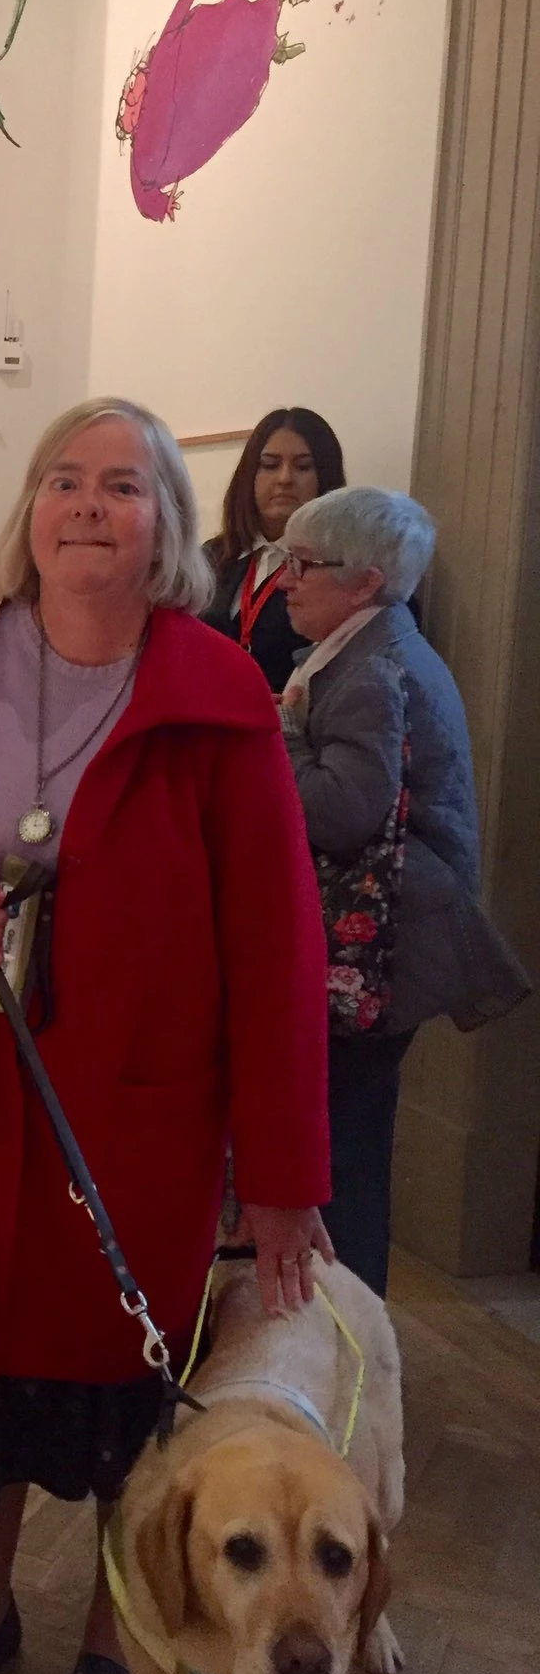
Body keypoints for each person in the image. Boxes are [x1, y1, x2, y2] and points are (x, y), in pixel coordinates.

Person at [0, 398, 332, 1674]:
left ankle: (110, 1643)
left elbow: (276, 945)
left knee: (126, 1397)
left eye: (123, 486)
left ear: (168, 529)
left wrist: (291, 1181)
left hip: (140, 1126)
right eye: (62, 480)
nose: (86, 505)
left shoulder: (214, 692)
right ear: (27, 509)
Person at [278, 486, 528, 1295]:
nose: (286, 580)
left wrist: (270, 741)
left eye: (305, 565)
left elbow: (346, 810)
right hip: (390, 935)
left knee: (344, 1148)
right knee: (350, 1137)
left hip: (381, 946)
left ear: (366, 582)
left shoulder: (371, 669)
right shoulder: (372, 649)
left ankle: (343, 1339)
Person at [202, 406, 346, 692]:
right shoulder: (213, 556)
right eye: (269, 465)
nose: (284, 479)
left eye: (303, 467)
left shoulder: (339, 567)